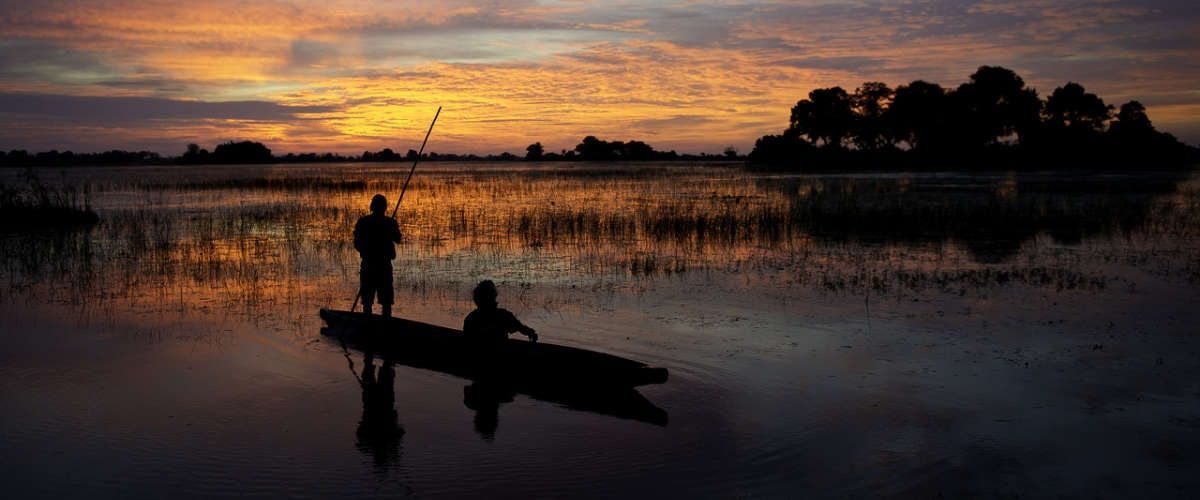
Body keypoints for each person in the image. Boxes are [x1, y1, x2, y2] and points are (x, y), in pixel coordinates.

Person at [354, 194, 402, 317]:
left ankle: (372, 325)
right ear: (384, 207)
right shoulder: (388, 222)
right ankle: (382, 326)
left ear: (372, 207)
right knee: (380, 302)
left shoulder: (365, 222)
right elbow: (398, 239)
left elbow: (357, 244)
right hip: (379, 266)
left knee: (371, 301)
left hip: (373, 266)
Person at [462, 280, 538, 344]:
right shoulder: (503, 315)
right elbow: (520, 328)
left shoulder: (470, 318)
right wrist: (531, 333)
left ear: (477, 299)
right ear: (494, 296)